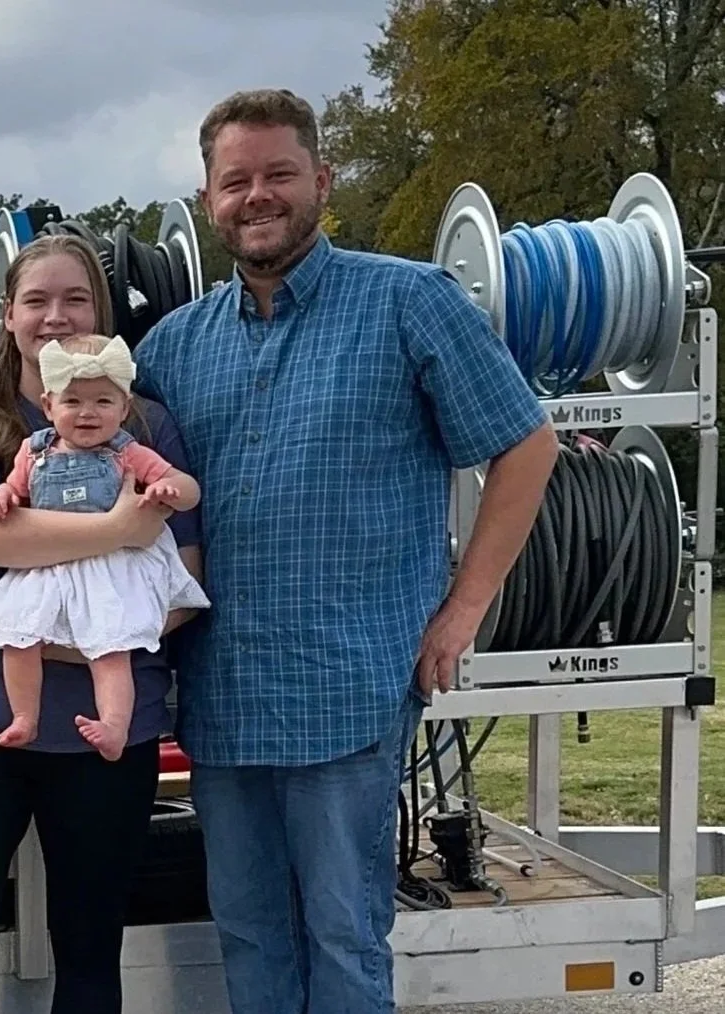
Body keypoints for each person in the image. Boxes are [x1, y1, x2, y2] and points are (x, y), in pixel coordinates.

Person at [131, 88, 557, 1013]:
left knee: (344, 934)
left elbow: (527, 445)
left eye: (277, 174)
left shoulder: (408, 302)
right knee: (247, 935)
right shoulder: (171, 348)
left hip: (349, 688)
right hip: (222, 697)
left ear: (320, 181)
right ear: (208, 199)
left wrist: (464, 607)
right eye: (235, 180)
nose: (257, 196)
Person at [0, 232, 207, 1013]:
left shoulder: (146, 427)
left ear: (101, 317)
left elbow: (184, 583)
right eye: (36, 300)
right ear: (7, 316)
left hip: (109, 731)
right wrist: (118, 533)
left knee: (89, 946)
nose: (55, 316)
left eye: (75, 299)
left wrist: (77, 641)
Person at [0, 333, 209, 760]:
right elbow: (15, 486)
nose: (87, 413)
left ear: (123, 409)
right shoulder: (34, 451)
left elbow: (189, 489)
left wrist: (171, 489)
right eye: (73, 401)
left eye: (103, 402)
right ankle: (25, 716)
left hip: (107, 569)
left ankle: (115, 727)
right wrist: (2, 496)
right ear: (48, 406)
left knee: (109, 649)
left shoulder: (129, 453)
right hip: (49, 564)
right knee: (18, 638)